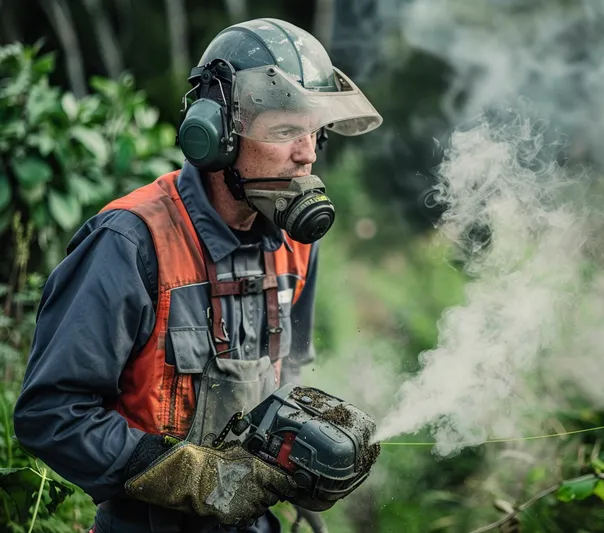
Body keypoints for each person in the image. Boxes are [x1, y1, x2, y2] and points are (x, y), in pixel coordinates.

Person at [13, 18, 382, 533]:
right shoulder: (130, 243)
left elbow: (287, 375)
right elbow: (51, 413)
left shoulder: (297, 244)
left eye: (314, 131)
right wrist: (197, 477)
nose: (308, 153)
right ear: (215, 136)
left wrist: (305, 447)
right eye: (285, 131)